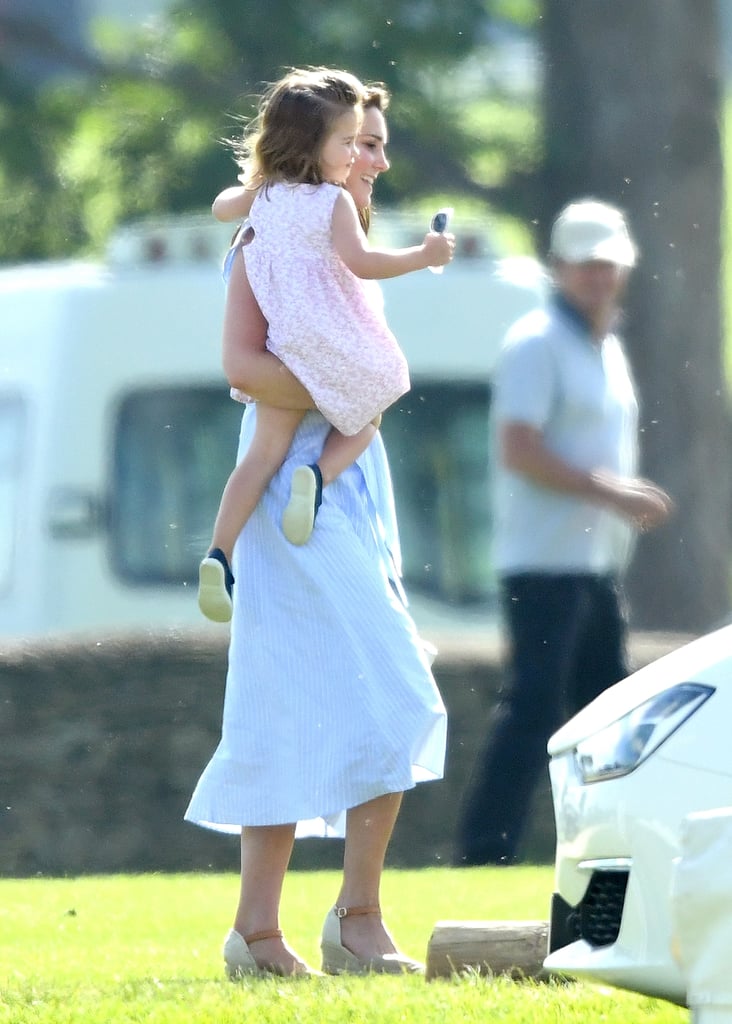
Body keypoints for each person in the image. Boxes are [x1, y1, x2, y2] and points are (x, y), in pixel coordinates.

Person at [185, 79, 448, 978]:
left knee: (296, 694)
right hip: (288, 499)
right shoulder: (273, 228)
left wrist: (351, 398)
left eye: (378, 143)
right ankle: (345, 921)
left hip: (348, 485)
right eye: (360, 142)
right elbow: (242, 366)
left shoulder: (334, 233)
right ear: (316, 147)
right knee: (391, 688)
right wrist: (346, 391)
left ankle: (270, 934)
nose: (375, 159)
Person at [453, 198, 674, 867]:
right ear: (559, 268)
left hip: (591, 562)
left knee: (609, 709)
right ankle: (482, 852)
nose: (597, 277)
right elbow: (518, 448)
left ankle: (620, 845)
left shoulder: (603, 345)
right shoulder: (536, 342)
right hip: (543, 562)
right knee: (534, 710)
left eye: (607, 265)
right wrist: (612, 491)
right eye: (584, 266)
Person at [196, 67, 454, 623]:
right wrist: (423, 255)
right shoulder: (330, 202)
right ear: (315, 145)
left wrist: (249, 188)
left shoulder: (264, 197)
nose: (354, 157)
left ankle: (220, 551)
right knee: (372, 406)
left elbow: (220, 208)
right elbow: (364, 263)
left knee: (258, 456)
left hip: (283, 347)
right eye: (347, 142)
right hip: (327, 345)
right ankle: (315, 478)